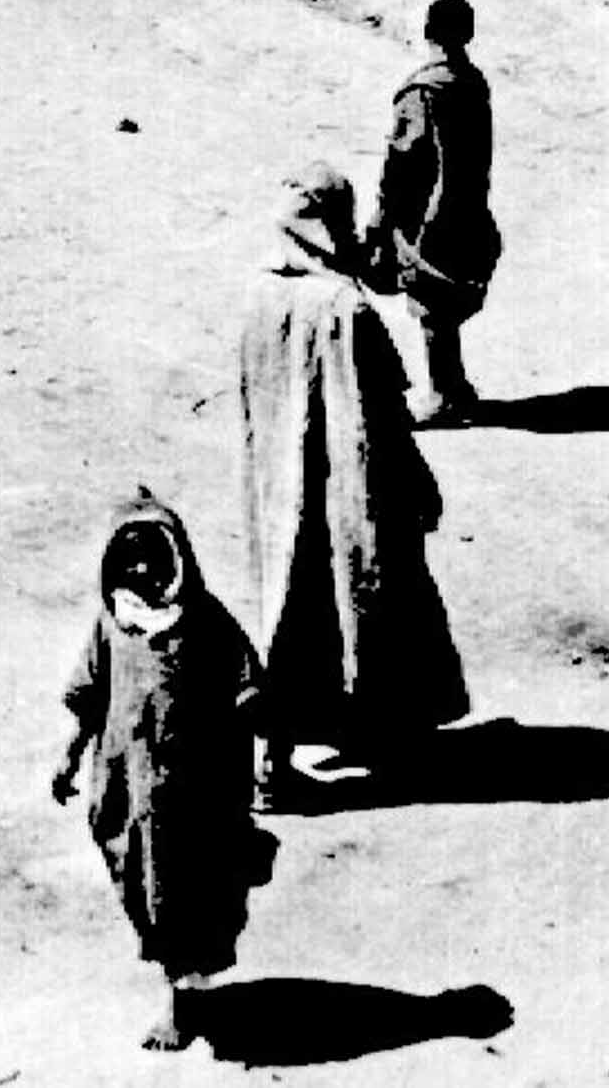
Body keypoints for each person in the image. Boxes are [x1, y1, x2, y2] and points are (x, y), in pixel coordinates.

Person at [238, 166, 467, 803]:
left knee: (286, 609)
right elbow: (383, 416)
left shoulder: (260, 295)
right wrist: (419, 482)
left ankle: (272, 759)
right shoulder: (347, 308)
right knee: (367, 602)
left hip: (277, 487)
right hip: (351, 491)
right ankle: (378, 732)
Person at [53, 492, 273, 1056]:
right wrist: (70, 754)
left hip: (197, 791)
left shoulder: (204, 619)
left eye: (155, 556)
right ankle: (181, 979)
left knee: (191, 890)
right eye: (130, 559)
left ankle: (182, 1000)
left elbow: (246, 684)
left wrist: (263, 731)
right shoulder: (112, 625)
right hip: (129, 792)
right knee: (143, 884)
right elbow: (88, 696)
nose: (143, 570)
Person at [366, 0, 500, 427]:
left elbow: (401, 160)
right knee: (448, 301)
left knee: (430, 304)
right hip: (470, 207)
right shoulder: (473, 81)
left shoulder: (422, 92)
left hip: (429, 215)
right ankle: (456, 385)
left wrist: (380, 219)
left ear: (428, 32)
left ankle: (443, 394)